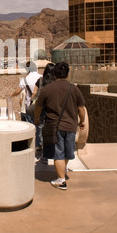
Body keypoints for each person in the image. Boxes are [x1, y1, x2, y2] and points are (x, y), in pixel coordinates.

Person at [34, 62, 86, 190]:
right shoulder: (74, 88)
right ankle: (62, 173)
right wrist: (82, 121)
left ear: (54, 73)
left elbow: (38, 107)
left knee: (58, 154)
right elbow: (81, 108)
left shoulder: (48, 89)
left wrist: (36, 119)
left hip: (54, 126)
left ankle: (61, 180)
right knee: (67, 153)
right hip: (70, 126)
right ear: (67, 73)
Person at [31, 63, 56, 152]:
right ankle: (52, 147)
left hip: (42, 108)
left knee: (40, 127)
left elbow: (34, 92)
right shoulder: (56, 82)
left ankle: (40, 146)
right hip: (53, 108)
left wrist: (31, 100)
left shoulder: (40, 80)